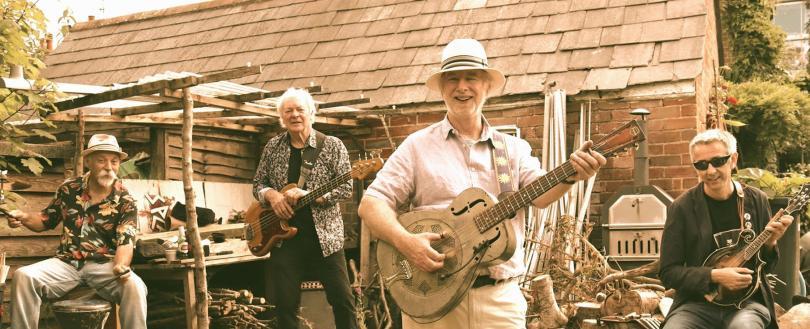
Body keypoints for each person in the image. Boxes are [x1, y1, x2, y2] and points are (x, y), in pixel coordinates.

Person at [357, 38, 606, 328]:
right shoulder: (417, 147)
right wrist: (407, 243)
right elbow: (371, 204)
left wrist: (573, 173)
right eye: (452, 79)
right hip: (433, 297)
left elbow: (540, 194)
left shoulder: (512, 149)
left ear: (486, 86)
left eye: (471, 78)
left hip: (499, 300)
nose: (462, 87)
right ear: (441, 88)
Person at [5, 134, 147, 329]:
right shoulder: (69, 189)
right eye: (101, 160)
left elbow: (125, 241)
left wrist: (120, 266)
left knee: (135, 286)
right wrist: (23, 216)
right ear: (88, 161)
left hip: (105, 265)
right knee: (24, 276)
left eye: (114, 161)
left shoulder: (126, 200)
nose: (108, 167)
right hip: (66, 263)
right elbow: (46, 220)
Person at [659, 129, 793, 329]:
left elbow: (767, 268)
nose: (710, 171)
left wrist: (770, 242)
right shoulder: (681, 208)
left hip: (747, 305)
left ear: (733, 159)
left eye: (718, 161)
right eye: (701, 165)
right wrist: (714, 275)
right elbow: (668, 273)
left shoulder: (756, 200)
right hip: (695, 305)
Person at [253, 87, 357, 329]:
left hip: (326, 239)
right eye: (288, 111)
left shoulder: (332, 146)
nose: (295, 115)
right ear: (282, 117)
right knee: (285, 306)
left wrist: (310, 195)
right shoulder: (272, 147)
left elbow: (345, 189)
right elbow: (258, 183)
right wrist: (272, 196)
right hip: (284, 239)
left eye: (300, 109)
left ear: (312, 113)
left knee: (343, 301)